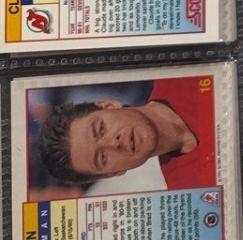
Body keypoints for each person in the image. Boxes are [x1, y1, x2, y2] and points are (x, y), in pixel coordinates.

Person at [37, 78, 203, 191]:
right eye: (102, 158)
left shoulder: (183, 72)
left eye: (101, 129)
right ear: (114, 173)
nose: (113, 144)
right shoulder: (195, 194)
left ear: (109, 105)